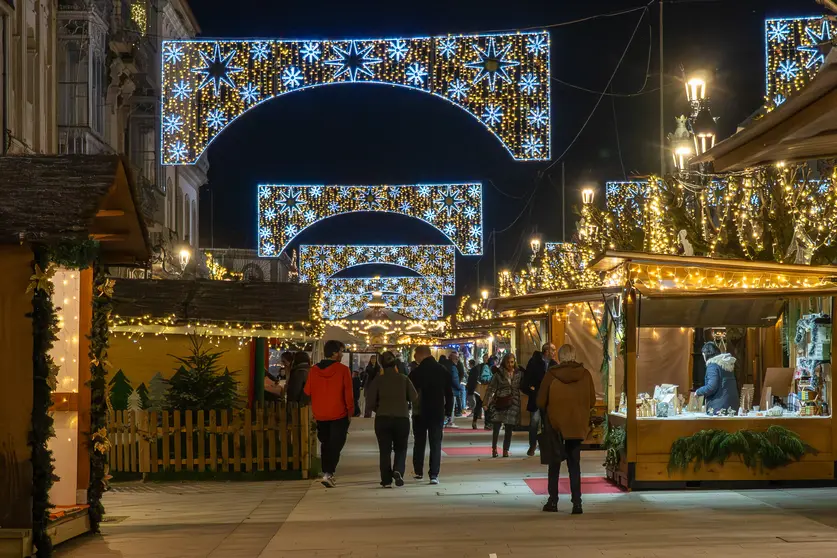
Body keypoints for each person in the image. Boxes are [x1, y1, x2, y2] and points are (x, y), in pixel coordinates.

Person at [537, 344, 596, 515]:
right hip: (576, 426)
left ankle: (553, 501)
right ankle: (577, 503)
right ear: (574, 356)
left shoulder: (551, 375)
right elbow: (592, 400)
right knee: (574, 464)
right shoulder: (585, 375)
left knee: (554, 463)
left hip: (555, 425)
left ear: (560, 357)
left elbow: (540, 401)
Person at [304, 340, 354, 488]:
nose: (342, 354)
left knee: (325, 443)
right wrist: (350, 411)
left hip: (320, 413)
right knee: (336, 444)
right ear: (334, 353)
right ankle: (329, 473)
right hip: (338, 413)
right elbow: (348, 394)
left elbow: (307, 391)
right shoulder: (343, 370)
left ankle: (327, 472)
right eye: (341, 351)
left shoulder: (313, 370)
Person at [366, 351, 418, 488]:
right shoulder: (403, 378)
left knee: (385, 450)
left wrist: (380, 408)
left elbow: (369, 402)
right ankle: (398, 470)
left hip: (383, 418)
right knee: (401, 448)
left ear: (381, 365)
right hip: (402, 418)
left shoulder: (378, 380)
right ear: (396, 365)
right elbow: (414, 397)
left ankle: (386, 480)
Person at [409, 345, 454, 484]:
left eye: (415, 355)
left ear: (422, 355)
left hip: (420, 412)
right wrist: (448, 411)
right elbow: (449, 393)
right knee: (435, 443)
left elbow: (409, 392)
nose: (414, 357)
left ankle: (418, 471)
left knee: (419, 442)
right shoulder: (442, 370)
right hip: (437, 411)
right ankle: (434, 474)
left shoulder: (416, 372)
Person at [522, 343, 558, 456]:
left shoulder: (554, 364)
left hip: (549, 398)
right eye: (553, 350)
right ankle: (532, 445)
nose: (554, 353)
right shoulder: (534, 362)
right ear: (546, 351)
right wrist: (532, 391)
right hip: (536, 398)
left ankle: (547, 446)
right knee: (534, 422)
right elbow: (526, 381)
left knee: (548, 423)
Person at [485, 353, 523, 458]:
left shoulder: (518, 373)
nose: (510, 364)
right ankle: (494, 448)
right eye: (508, 362)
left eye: (512, 362)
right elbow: (491, 388)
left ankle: (506, 450)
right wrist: (486, 402)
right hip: (500, 402)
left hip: (513, 403)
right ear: (504, 362)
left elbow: (522, 386)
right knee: (496, 427)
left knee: (509, 428)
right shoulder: (498, 374)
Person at [697, 341, 740, 413]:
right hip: (732, 406)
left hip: (719, 407)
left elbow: (711, 387)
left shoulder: (713, 366)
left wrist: (698, 392)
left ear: (705, 354)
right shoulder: (726, 364)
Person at [363, 353, 382, 418]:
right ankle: (367, 414)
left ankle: (378, 414)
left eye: (374, 359)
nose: (373, 360)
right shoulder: (368, 367)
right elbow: (365, 377)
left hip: (376, 386)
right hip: (369, 385)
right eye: (372, 359)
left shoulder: (378, 367)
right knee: (368, 401)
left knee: (376, 401)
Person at [450, 352, 468, 416]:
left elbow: (462, 373)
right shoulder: (457, 364)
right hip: (459, 382)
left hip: (460, 382)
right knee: (460, 396)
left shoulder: (458, 364)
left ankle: (461, 410)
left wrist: (459, 382)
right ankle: (461, 410)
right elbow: (463, 373)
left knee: (460, 397)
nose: (457, 359)